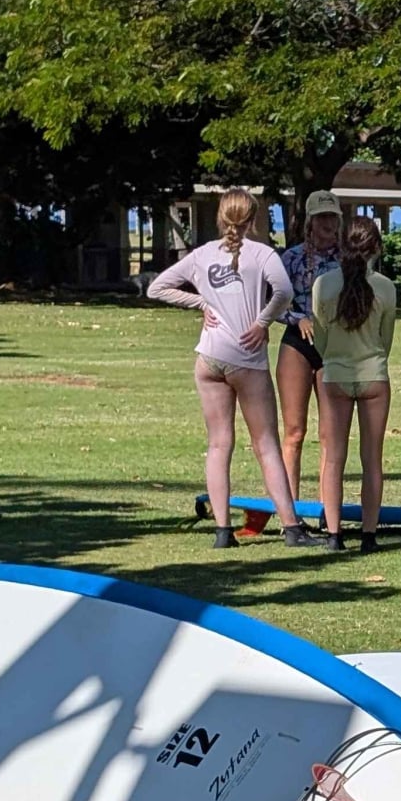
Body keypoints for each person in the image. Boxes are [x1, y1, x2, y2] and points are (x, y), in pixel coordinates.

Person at [147, 188, 323, 549]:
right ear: (254, 218)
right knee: (266, 444)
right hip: (246, 358)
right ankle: (291, 527)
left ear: (220, 216)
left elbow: (158, 287)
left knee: (218, 444)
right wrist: (262, 323)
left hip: (209, 357)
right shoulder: (262, 254)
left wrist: (201, 302)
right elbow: (285, 293)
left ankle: (223, 531)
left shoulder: (202, 255)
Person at [239, 190, 345, 537]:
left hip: (335, 348)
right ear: (310, 222)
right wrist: (297, 318)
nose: (328, 225)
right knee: (294, 433)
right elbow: (271, 301)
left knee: (331, 436)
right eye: (322, 218)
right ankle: (292, 517)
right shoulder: (291, 258)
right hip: (298, 344)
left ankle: (329, 516)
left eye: (333, 218)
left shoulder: (349, 260)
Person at [313, 217, 396, 553]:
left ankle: (334, 534)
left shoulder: (323, 285)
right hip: (373, 373)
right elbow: (385, 339)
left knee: (333, 458)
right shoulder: (386, 287)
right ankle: (369, 534)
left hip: (334, 375)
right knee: (371, 459)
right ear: (376, 246)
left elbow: (319, 339)